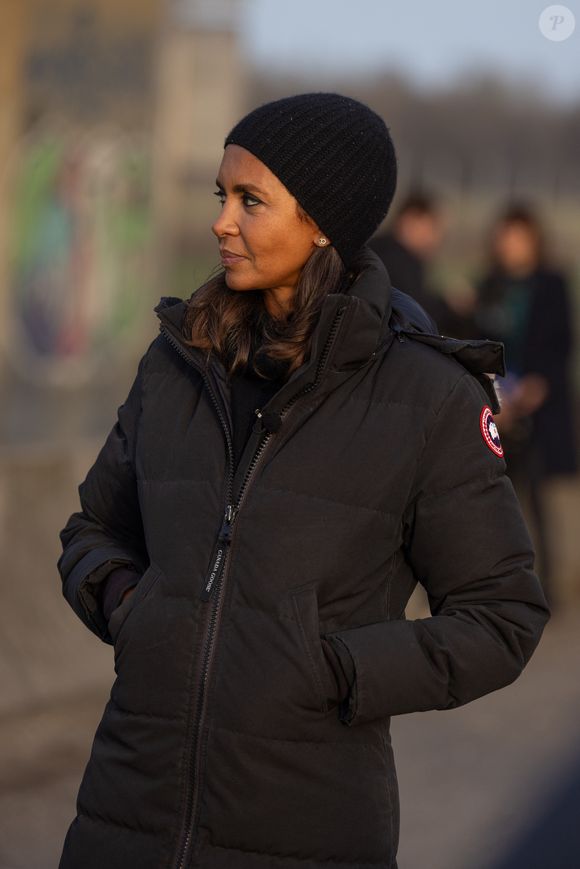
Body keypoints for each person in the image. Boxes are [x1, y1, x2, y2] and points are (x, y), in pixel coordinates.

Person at [57, 93, 550, 869]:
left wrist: (336, 669)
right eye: (221, 195)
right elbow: (94, 528)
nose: (221, 221)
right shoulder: (179, 360)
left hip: (310, 827)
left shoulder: (429, 396)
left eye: (250, 200)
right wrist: (129, 606)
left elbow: (502, 616)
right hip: (126, 817)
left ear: (322, 221)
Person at [474, 203, 577, 605]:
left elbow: (561, 343)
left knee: (544, 502)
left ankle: (552, 588)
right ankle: (506, 588)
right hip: (498, 407)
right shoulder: (489, 284)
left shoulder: (551, 284)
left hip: (541, 408)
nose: (510, 245)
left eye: (518, 238)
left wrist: (536, 388)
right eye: (505, 237)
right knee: (501, 502)